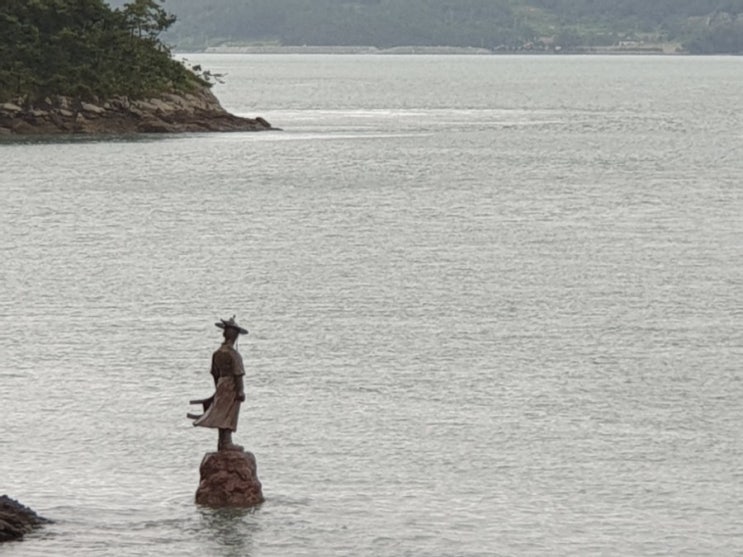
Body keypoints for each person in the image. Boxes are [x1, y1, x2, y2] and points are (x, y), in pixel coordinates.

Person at [191, 316, 248, 451]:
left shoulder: (217, 353)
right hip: (231, 385)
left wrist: (218, 386)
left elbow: (214, 373)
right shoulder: (233, 354)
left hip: (221, 384)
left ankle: (222, 442)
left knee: (222, 412)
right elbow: (238, 374)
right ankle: (226, 442)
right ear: (235, 337)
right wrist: (240, 391)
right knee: (229, 413)